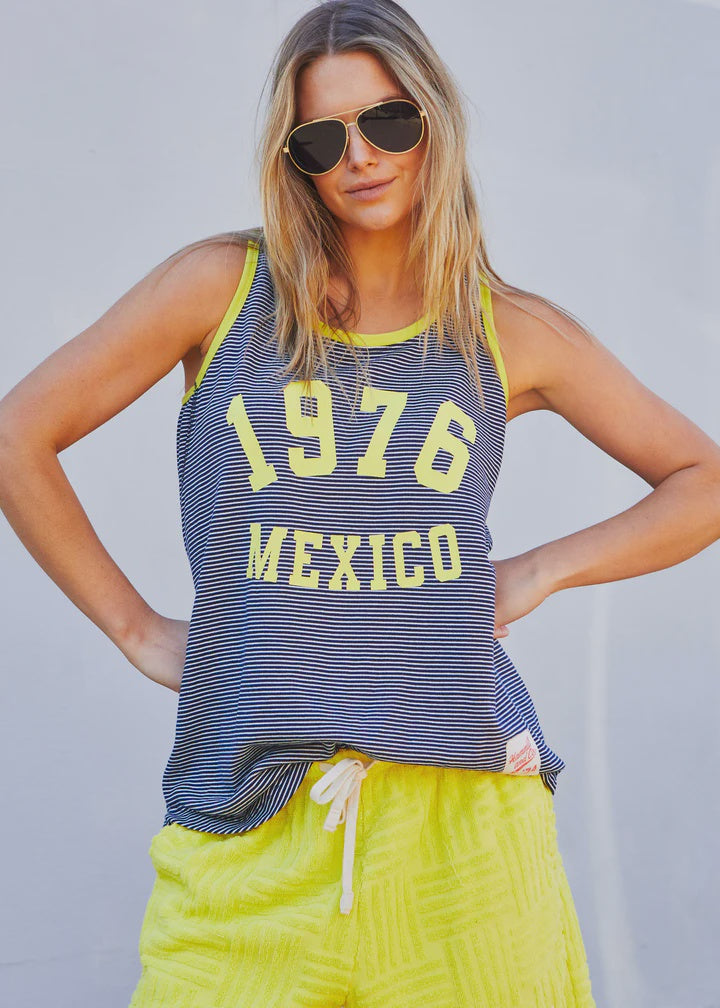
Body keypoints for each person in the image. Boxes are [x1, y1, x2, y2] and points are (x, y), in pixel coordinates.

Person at [1, 1, 719, 1006]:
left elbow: (701, 479)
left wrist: (539, 571)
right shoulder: (222, 293)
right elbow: (18, 434)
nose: (361, 157)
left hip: (464, 834)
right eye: (323, 138)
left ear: (433, 122)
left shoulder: (503, 330)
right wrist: (133, 627)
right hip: (251, 814)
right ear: (295, 159)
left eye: (387, 121)